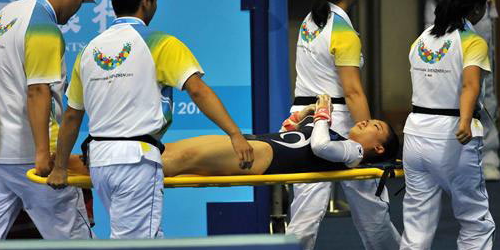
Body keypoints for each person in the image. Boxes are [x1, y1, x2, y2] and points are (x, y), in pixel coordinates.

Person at [47, 0, 254, 239]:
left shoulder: (90, 50)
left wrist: (61, 167)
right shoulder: (161, 43)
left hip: (99, 162)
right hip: (136, 162)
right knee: (135, 248)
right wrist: (235, 135)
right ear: (148, 1)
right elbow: (198, 92)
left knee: (148, 239)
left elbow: (73, 116)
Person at [285, 0, 401, 250]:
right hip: (335, 121)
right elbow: (353, 93)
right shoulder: (343, 31)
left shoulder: (312, 19)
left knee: (304, 215)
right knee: (372, 209)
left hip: (303, 119)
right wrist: (370, 141)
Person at [398, 0, 496, 250]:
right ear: (478, 8)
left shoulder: (422, 38)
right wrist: (466, 120)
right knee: (474, 221)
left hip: (414, 134)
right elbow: (469, 85)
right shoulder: (473, 42)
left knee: (416, 225)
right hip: (454, 136)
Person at [0, 0, 95, 240]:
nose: (76, 13)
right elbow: (38, 91)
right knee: (75, 243)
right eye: (81, 1)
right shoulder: (44, 27)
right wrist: (43, 155)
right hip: (34, 156)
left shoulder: (4, 16)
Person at [65, 95, 399, 178]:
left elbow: (321, 148)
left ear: (377, 147)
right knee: (167, 152)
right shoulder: (338, 134)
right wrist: (306, 113)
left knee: (181, 160)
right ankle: (81, 163)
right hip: (263, 144)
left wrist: (323, 113)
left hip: (263, 157)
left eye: (376, 127)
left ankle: (96, 168)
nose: (368, 121)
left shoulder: (352, 152)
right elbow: (289, 132)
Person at [405, 0, 500, 180]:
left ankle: (487, 152)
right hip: (441, 6)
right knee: (436, 79)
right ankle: (440, 150)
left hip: (476, 8)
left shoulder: (477, 6)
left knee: (484, 82)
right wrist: (449, 3)